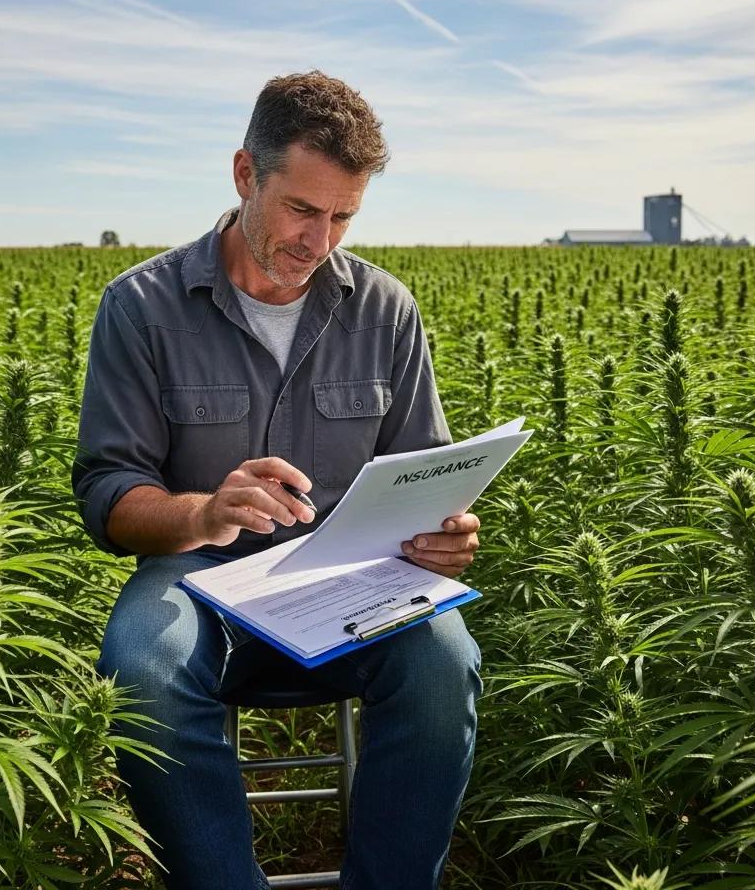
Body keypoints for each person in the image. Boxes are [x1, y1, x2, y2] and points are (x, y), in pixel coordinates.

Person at [72, 71, 483, 890]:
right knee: (143, 670)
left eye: (343, 217)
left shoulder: (386, 309)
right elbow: (109, 495)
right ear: (244, 174)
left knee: (445, 663)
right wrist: (204, 511)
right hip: (200, 583)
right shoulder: (141, 306)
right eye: (302, 209)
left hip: (352, 583)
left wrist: (442, 533)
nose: (319, 238)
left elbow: (424, 473)